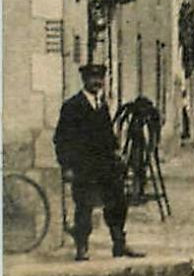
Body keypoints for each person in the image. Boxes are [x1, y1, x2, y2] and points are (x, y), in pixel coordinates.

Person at [53, 63, 142, 260]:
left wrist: (116, 153)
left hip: (105, 165)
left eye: (100, 78)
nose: (97, 82)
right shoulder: (72, 106)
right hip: (83, 166)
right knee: (83, 206)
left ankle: (119, 244)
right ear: (84, 80)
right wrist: (67, 166)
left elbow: (108, 136)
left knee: (118, 202)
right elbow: (61, 139)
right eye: (92, 78)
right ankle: (81, 247)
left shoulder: (102, 105)